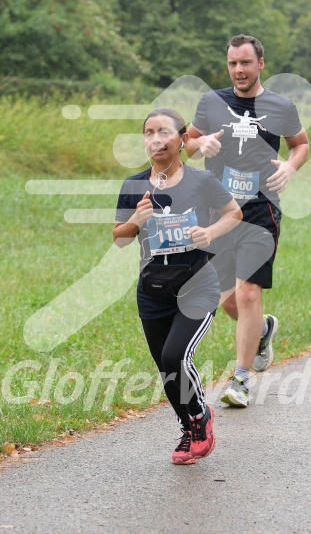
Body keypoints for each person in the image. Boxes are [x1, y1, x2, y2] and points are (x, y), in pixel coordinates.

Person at [185, 34, 309, 407]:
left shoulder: (281, 106)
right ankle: (263, 330)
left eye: (245, 63)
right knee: (227, 300)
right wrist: (199, 144)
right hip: (218, 212)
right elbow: (185, 143)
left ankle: (240, 380)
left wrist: (290, 165)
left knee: (249, 292)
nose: (238, 70)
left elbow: (300, 143)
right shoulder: (211, 101)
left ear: (260, 64)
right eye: (232, 64)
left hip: (261, 210)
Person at [113, 107, 242, 464]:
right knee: (167, 369)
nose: (156, 140)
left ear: (183, 139)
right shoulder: (134, 185)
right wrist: (136, 221)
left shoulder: (201, 182)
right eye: (149, 133)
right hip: (152, 293)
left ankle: (200, 417)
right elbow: (119, 238)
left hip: (197, 286)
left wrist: (210, 232)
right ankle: (188, 427)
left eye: (164, 132)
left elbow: (234, 213)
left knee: (175, 355)